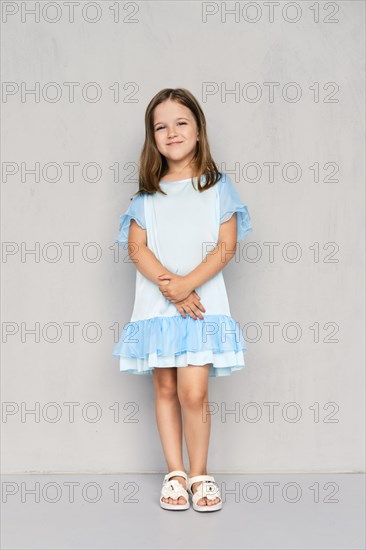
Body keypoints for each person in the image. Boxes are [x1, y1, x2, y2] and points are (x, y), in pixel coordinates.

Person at [112, 88, 253, 512]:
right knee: (166, 386)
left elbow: (226, 246)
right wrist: (169, 286)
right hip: (158, 307)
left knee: (194, 391)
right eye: (161, 126)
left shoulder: (216, 187)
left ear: (198, 129)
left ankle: (200, 472)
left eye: (180, 123)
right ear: (152, 137)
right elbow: (137, 247)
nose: (171, 132)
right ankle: (174, 472)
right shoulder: (146, 197)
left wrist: (187, 285)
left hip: (201, 305)